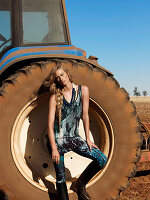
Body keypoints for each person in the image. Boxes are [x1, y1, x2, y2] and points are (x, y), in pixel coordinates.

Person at [47, 65, 107, 200]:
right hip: (58, 141)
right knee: (61, 177)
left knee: (102, 159)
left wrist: (88, 139)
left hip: (75, 138)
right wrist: (54, 149)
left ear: (67, 74)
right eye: (57, 77)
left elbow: (85, 115)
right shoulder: (55, 97)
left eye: (62, 74)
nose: (60, 78)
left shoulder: (83, 90)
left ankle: (80, 184)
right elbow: (50, 126)